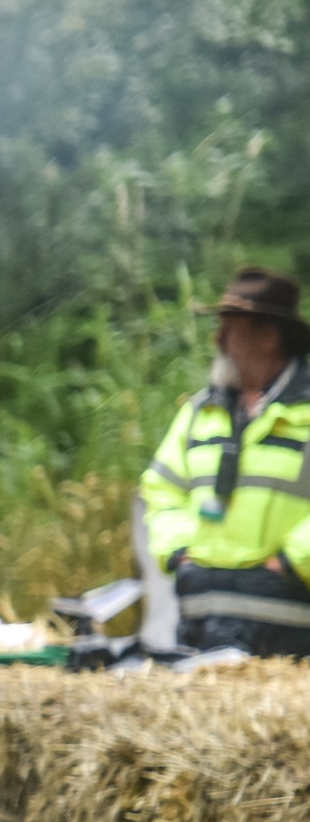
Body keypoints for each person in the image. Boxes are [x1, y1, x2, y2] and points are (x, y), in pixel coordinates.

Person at [141, 267, 310, 659]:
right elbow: (161, 491)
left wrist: (288, 562)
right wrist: (180, 553)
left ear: (268, 337)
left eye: (229, 329)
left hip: (290, 638)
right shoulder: (199, 412)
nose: (217, 340)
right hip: (201, 626)